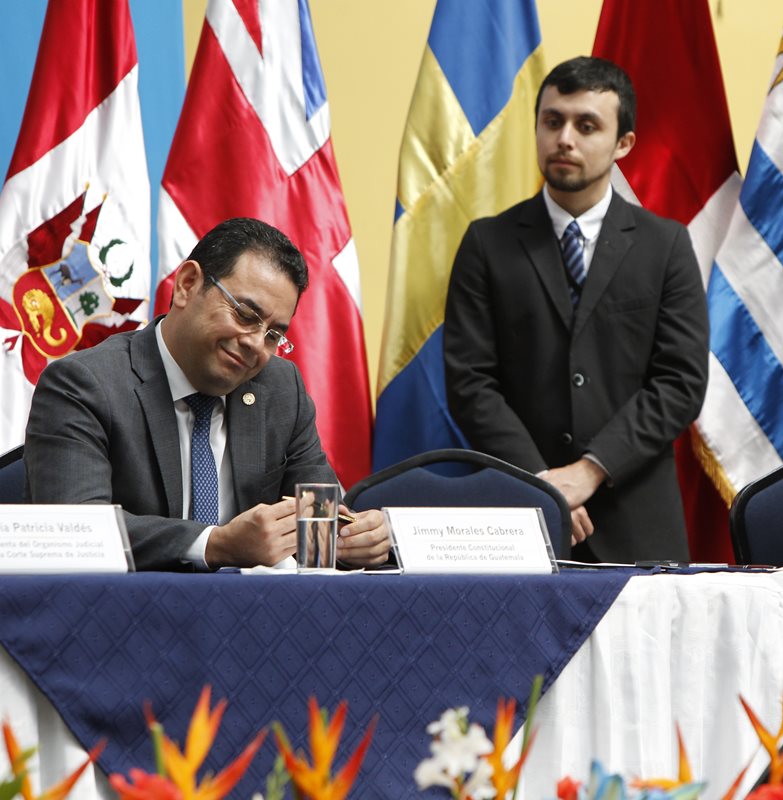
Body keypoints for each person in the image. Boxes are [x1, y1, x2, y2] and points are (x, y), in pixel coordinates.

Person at [443, 56, 709, 562]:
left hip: (637, 524)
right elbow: (470, 382)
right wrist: (542, 486)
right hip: (518, 518)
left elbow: (681, 382)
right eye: (552, 121)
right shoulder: (488, 243)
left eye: (587, 126)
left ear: (623, 143)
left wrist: (589, 471)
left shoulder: (665, 245)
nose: (565, 138)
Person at [24, 217, 391, 571]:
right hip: (125, 620)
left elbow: (321, 530)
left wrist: (355, 541)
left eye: (274, 335)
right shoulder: (84, 384)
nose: (255, 344)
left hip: (257, 620)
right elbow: (76, 532)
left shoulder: (281, 388)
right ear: (186, 284)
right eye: (245, 314)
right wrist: (213, 544)